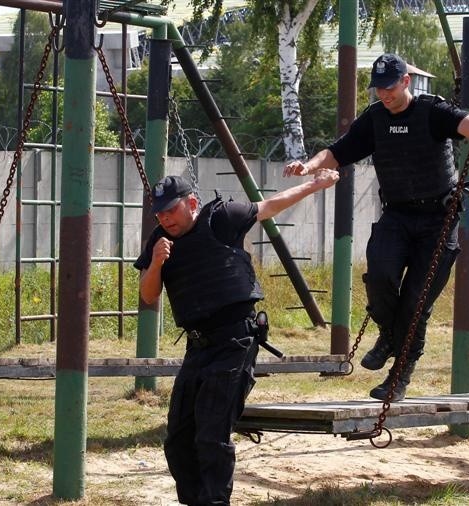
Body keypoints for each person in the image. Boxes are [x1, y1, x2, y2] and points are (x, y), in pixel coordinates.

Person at [284, 53, 469, 402]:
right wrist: (308, 166)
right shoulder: (375, 119)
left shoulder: (433, 111)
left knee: (415, 301)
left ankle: (398, 377)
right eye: (378, 89)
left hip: (438, 220)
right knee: (378, 275)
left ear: (406, 81)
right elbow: (336, 152)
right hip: (397, 215)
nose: (384, 95)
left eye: (389, 87)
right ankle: (389, 336)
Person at [135, 171, 338, 505]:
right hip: (197, 346)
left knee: (212, 435)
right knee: (178, 438)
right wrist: (156, 262)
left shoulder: (222, 218)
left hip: (234, 341)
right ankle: (194, 499)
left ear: (192, 203)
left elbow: (271, 205)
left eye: (170, 210)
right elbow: (148, 294)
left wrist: (316, 184)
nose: (164, 217)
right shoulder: (159, 240)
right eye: (159, 212)